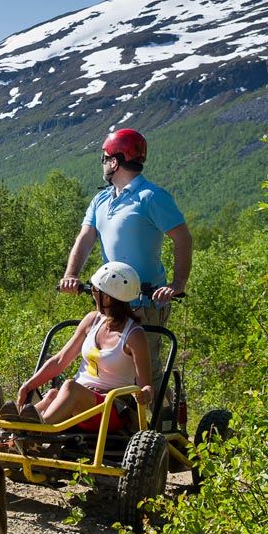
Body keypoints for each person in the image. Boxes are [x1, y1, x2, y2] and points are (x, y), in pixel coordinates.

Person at [58, 129, 191, 383]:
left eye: (105, 158)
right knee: (105, 369)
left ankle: (158, 420)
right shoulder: (101, 200)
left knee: (146, 376)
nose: (104, 163)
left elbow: (183, 238)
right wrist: (70, 275)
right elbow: (85, 238)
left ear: (115, 162)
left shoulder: (151, 197)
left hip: (146, 301)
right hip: (110, 300)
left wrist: (177, 284)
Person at [4, 261, 152, 428]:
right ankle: (13, 429)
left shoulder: (134, 335)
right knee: (53, 394)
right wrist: (28, 385)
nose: (92, 294)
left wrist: (145, 394)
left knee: (69, 387)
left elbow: (145, 385)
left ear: (107, 297)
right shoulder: (92, 320)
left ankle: (38, 430)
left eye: (94, 290)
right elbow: (60, 360)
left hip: (112, 406)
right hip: (81, 399)